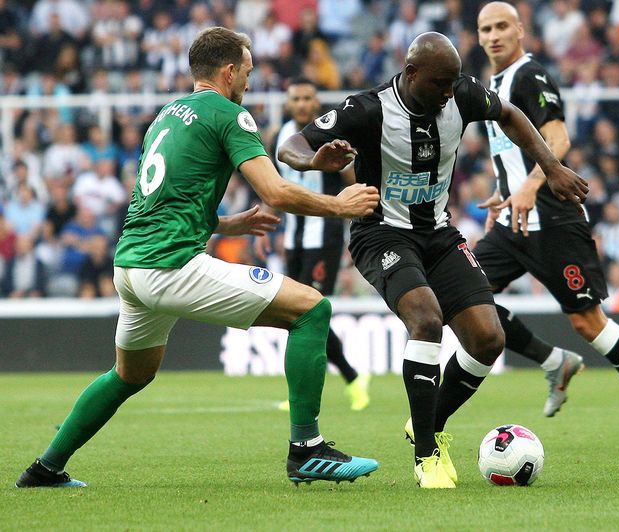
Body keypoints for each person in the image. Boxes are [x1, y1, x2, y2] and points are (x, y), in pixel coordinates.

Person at [15, 27, 381, 489]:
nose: (248, 82)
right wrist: (339, 205)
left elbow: (161, 200)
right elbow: (274, 191)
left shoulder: (165, 117)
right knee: (312, 309)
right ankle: (307, 450)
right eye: (247, 73)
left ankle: (44, 469)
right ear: (229, 72)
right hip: (170, 266)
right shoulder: (231, 115)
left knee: (130, 374)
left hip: (130, 266)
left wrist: (226, 226)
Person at [278, 32, 588, 488]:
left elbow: (510, 114)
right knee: (426, 318)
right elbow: (291, 147)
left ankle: (427, 423)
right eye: (440, 83)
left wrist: (553, 167)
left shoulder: (459, 94)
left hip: (439, 233)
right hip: (381, 232)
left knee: (487, 339)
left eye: (453, 83)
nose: (448, 93)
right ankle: (427, 452)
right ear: (411, 73)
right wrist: (313, 162)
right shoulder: (367, 109)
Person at [473, 1, 619, 453]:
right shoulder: (493, 84)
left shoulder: (531, 76)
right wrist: (504, 189)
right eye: (485, 29)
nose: (493, 35)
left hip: (552, 218)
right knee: (464, 299)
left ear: (521, 31)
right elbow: (513, 153)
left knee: (588, 322)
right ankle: (553, 362)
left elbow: (558, 138)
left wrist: (530, 185)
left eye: (501, 27)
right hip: (513, 220)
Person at [255, 77, 371, 411]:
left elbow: (354, 184)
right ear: (289, 103)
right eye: (297, 98)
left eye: (308, 97)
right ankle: (348, 377)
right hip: (294, 239)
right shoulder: (282, 137)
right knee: (296, 316)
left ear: (317, 102)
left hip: (326, 239)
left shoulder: (333, 135)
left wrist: (348, 162)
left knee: (307, 313)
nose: (303, 104)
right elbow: (278, 187)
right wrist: (267, 222)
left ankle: (318, 390)